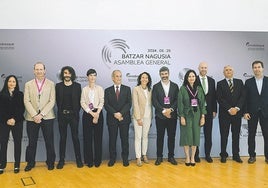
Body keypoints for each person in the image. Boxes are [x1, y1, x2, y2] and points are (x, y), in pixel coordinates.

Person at [24, 62, 56, 171]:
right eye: (37, 69)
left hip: (47, 117)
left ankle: (50, 162)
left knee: (49, 141)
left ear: (44, 70)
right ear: (34, 71)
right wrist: (34, 115)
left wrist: (41, 114)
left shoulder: (51, 84)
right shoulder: (28, 84)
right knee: (31, 142)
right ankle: (30, 162)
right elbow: (26, 101)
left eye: (41, 69)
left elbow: (52, 101)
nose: (39, 71)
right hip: (31, 118)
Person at [55, 66, 83, 169]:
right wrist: (62, 113)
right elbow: (57, 101)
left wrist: (75, 113)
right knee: (62, 138)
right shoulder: (58, 86)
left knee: (75, 138)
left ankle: (78, 159)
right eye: (65, 73)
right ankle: (61, 160)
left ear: (72, 75)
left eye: (69, 73)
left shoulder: (77, 86)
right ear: (63, 74)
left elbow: (80, 102)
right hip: (62, 116)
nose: (67, 75)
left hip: (73, 116)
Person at [216, 65, 245, 163]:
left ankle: (236, 155)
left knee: (236, 135)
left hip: (237, 114)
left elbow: (242, 97)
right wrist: (229, 108)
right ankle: (223, 155)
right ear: (223, 72)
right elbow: (219, 98)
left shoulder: (240, 82)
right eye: (226, 70)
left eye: (230, 70)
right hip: (225, 114)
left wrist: (236, 108)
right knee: (224, 135)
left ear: (233, 71)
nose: (228, 71)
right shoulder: (220, 84)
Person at [178, 70, 206, 166]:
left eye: (193, 76)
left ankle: (193, 157)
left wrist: (203, 116)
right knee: (186, 136)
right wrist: (181, 116)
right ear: (186, 78)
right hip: (186, 114)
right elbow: (180, 104)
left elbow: (203, 104)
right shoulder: (182, 89)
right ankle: (187, 157)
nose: (191, 78)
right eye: (189, 76)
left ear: (195, 78)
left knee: (195, 136)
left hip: (197, 115)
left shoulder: (199, 89)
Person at [152, 66, 179, 166]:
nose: (164, 76)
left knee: (171, 137)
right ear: (160, 75)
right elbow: (154, 101)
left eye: (165, 74)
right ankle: (159, 157)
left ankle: (171, 156)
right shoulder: (156, 87)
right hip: (160, 116)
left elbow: (177, 100)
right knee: (160, 137)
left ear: (169, 74)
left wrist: (170, 110)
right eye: (162, 74)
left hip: (172, 116)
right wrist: (164, 111)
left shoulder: (175, 86)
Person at [104, 70, 131, 167]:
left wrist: (120, 113)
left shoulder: (127, 89)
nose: (119, 78)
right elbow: (106, 105)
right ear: (112, 78)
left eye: (120, 76)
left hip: (124, 118)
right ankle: (112, 159)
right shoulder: (107, 90)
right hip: (112, 119)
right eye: (116, 76)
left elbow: (129, 104)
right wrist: (115, 113)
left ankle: (125, 159)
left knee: (125, 140)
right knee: (112, 140)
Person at [244, 60, 268, 164]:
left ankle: (267, 156)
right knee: (251, 135)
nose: (257, 69)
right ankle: (252, 156)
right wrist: (245, 112)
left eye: (259, 67)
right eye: (255, 67)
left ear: (262, 68)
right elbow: (245, 99)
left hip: (266, 112)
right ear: (252, 69)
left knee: (267, 135)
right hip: (251, 113)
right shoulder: (248, 82)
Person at [0, 75, 24, 174]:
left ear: (16, 83)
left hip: (17, 122)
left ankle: (17, 165)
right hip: (4, 123)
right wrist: (7, 120)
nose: (11, 83)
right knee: (3, 143)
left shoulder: (20, 94)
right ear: (6, 82)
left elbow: (21, 109)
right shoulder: (1, 95)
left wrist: (14, 119)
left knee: (18, 143)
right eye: (9, 81)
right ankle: (2, 165)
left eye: (14, 81)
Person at [81, 69, 104, 168]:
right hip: (87, 115)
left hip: (98, 113)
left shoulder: (100, 88)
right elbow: (82, 102)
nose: (92, 77)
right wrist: (91, 113)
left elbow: (101, 102)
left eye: (94, 75)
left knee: (98, 139)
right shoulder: (84, 89)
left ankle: (97, 160)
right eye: (90, 75)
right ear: (87, 77)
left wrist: (97, 114)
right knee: (87, 139)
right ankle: (89, 160)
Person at [195, 62, 217, 163]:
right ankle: (196, 155)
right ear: (198, 68)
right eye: (202, 67)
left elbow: (214, 97)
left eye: (205, 67)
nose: (203, 69)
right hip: (196, 111)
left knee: (208, 133)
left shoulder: (212, 80)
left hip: (208, 111)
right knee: (196, 134)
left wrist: (214, 110)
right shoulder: (193, 79)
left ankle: (208, 155)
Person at [132, 72, 152, 167]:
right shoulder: (136, 89)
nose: (144, 79)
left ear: (148, 80)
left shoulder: (150, 90)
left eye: (146, 78)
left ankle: (144, 155)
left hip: (148, 117)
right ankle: (138, 157)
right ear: (140, 79)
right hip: (138, 117)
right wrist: (138, 118)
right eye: (143, 77)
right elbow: (135, 104)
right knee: (138, 137)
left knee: (145, 137)